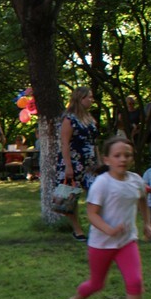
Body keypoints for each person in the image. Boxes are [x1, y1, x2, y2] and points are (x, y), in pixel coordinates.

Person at [65, 136, 151, 299]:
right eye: (117, 156)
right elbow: (92, 214)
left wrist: (147, 224)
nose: (122, 159)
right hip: (101, 243)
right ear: (107, 159)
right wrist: (110, 230)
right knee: (97, 284)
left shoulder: (136, 180)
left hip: (127, 242)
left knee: (135, 281)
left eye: (127, 155)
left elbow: (143, 200)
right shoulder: (102, 184)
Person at [56, 87, 99, 240]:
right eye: (89, 97)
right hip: (74, 162)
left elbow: (95, 143)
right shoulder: (69, 119)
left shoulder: (90, 118)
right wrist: (68, 166)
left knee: (96, 193)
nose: (91, 100)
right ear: (80, 98)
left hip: (90, 163)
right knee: (71, 197)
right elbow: (65, 143)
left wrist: (98, 162)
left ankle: (97, 225)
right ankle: (77, 229)